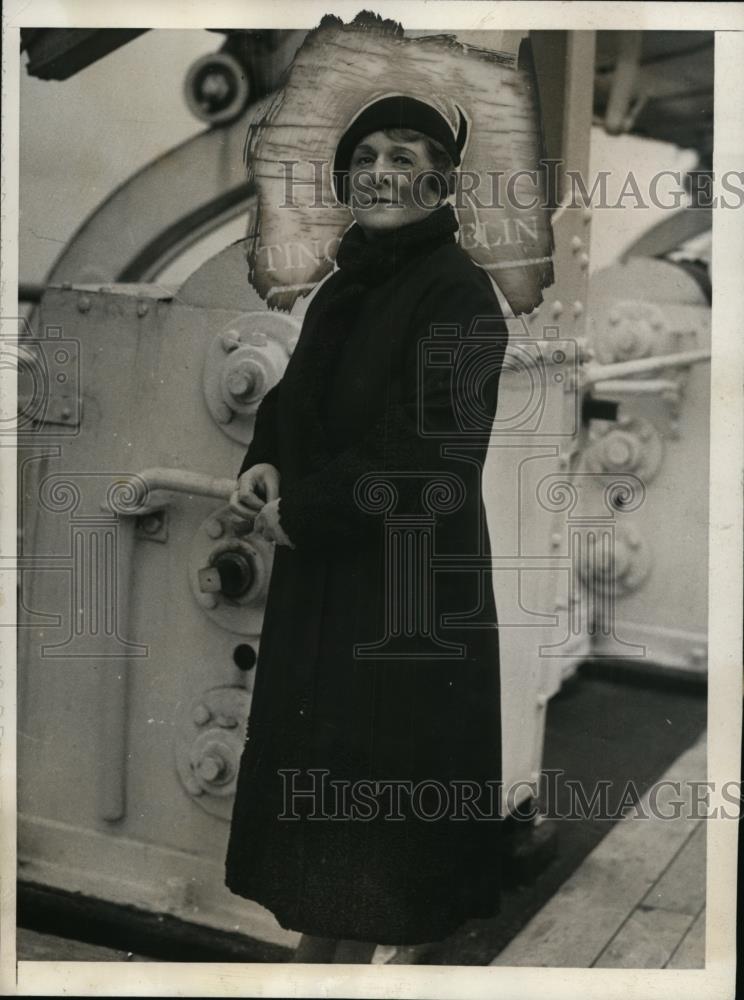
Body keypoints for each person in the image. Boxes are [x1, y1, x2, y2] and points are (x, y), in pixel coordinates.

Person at [224, 95, 509, 963]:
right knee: (336, 832)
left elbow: (432, 453)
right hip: (337, 590)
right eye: (368, 155)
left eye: (406, 155)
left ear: (440, 180)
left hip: (404, 604)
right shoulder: (350, 282)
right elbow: (299, 396)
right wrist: (265, 456)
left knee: (377, 829)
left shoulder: (461, 296)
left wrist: (307, 510)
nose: (382, 171)